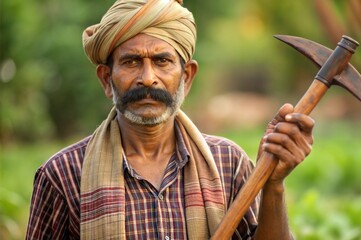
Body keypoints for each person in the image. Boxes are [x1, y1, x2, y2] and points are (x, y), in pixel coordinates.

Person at [26, 0, 314, 239]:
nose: (148, 78)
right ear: (105, 78)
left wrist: (273, 185)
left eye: (162, 61)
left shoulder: (230, 163)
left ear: (186, 77)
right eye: (131, 62)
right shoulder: (62, 175)